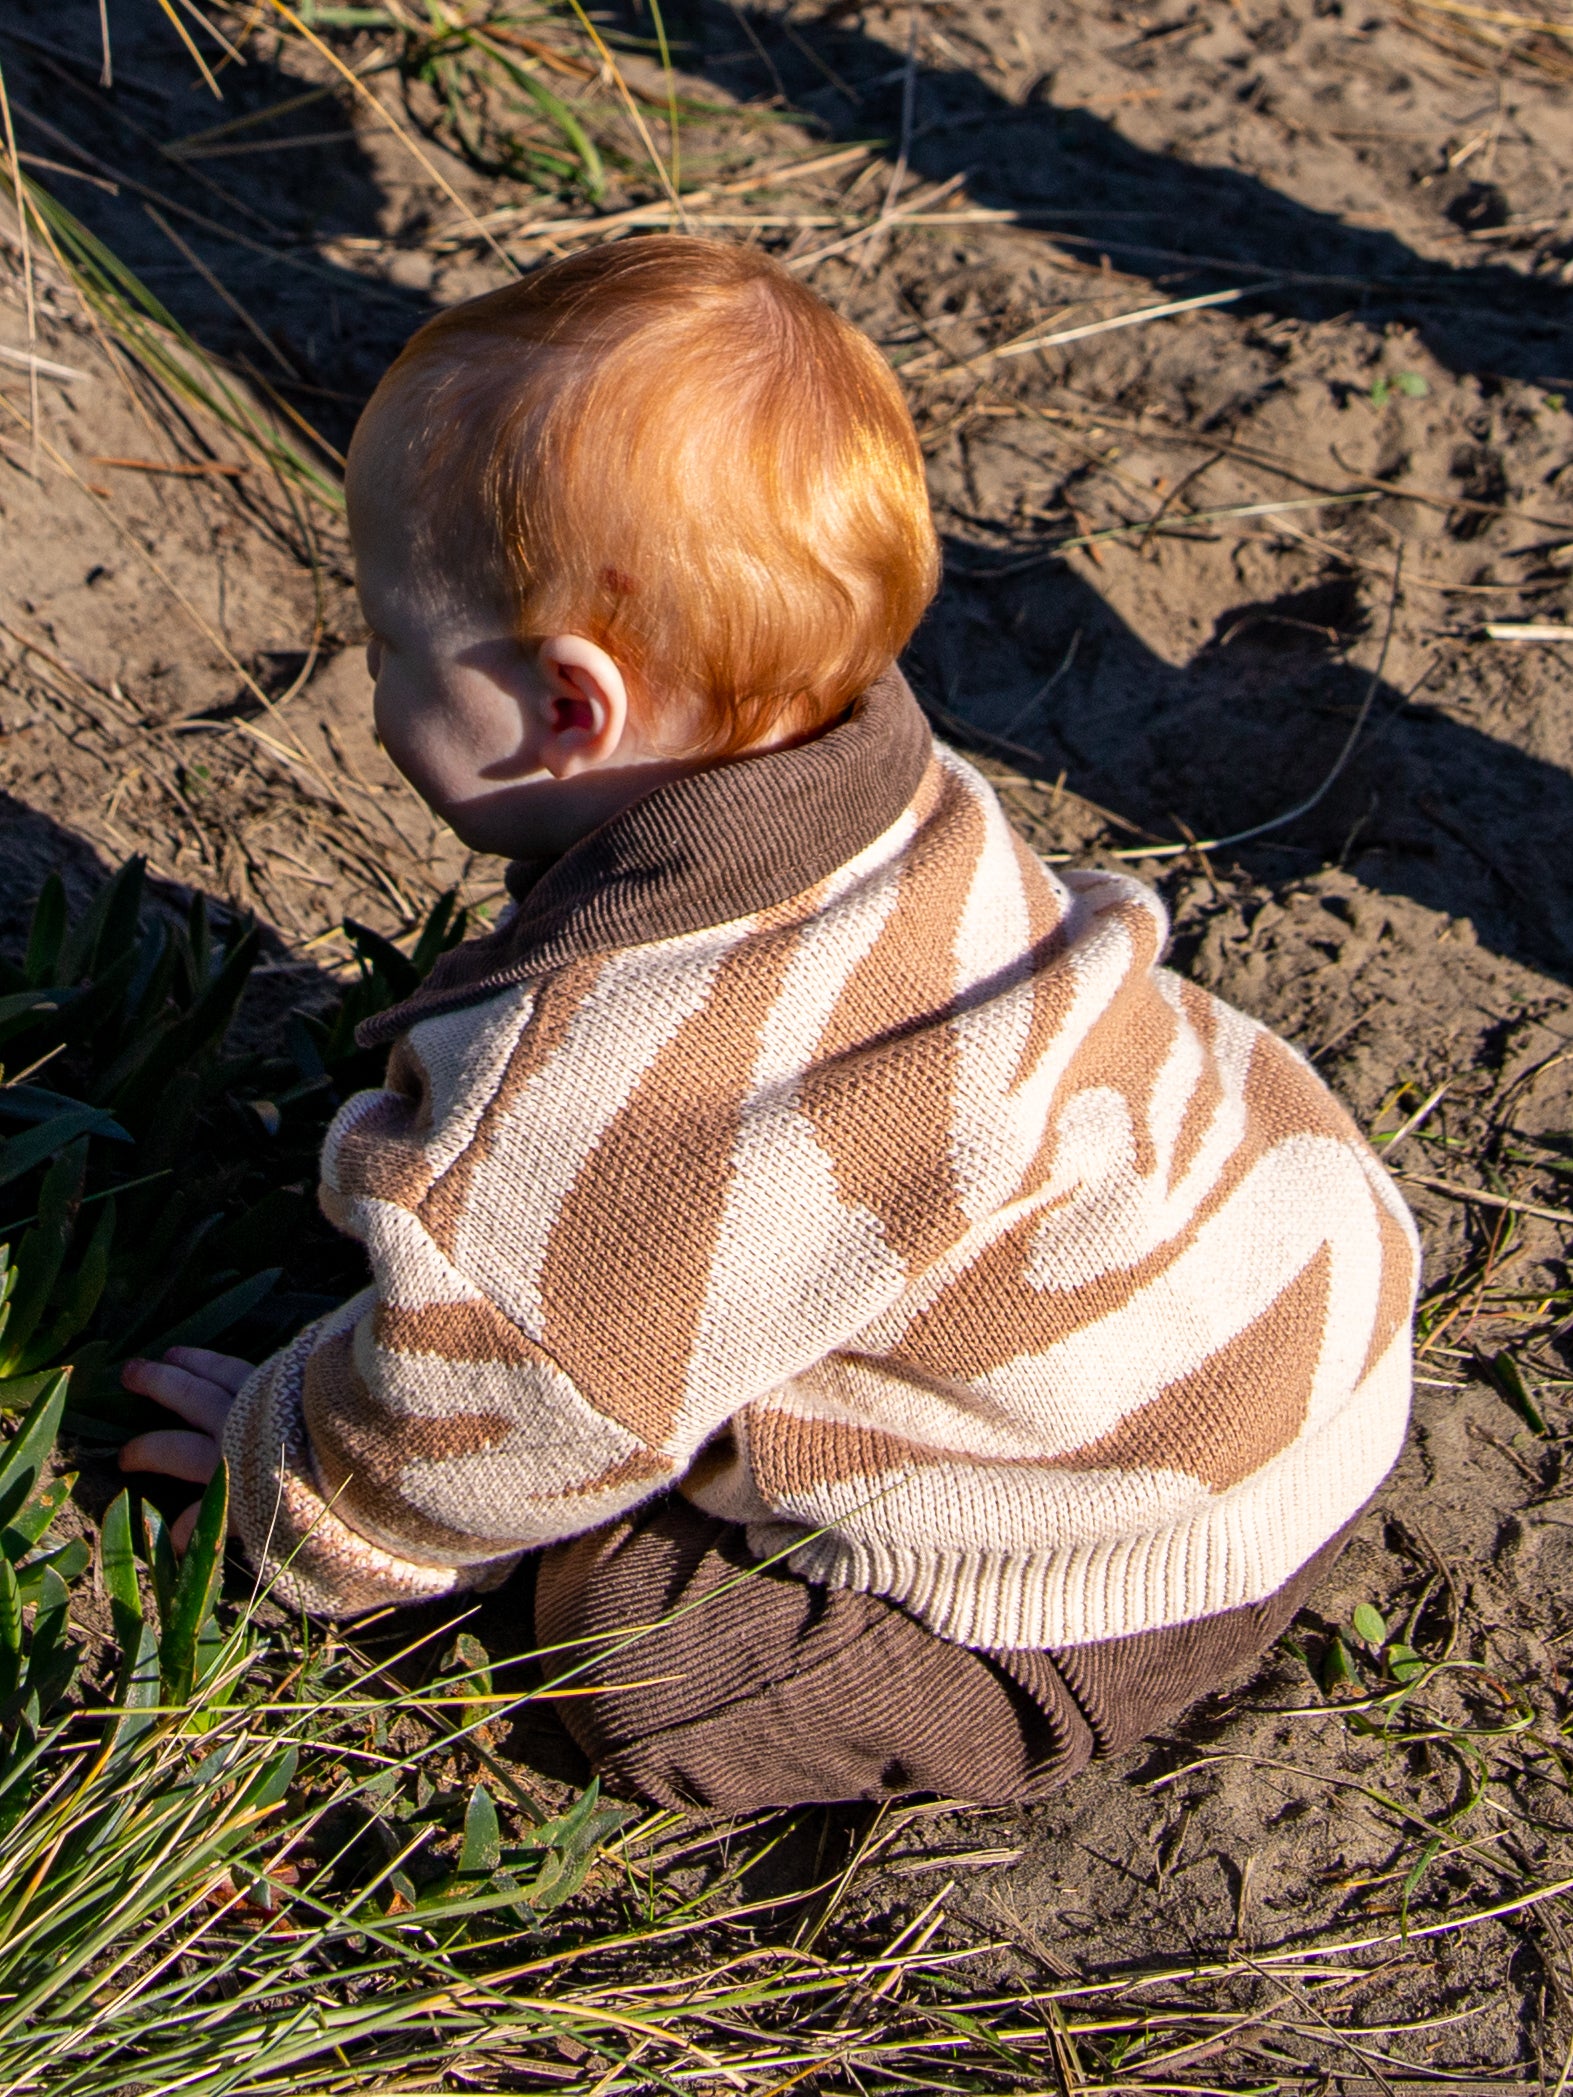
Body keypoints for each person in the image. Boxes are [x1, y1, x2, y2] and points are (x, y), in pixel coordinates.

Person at [120, 237, 1419, 1813]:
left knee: (630, 1645)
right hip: (1299, 1335)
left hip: (1089, 1584)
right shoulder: (892, 792)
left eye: (393, 645)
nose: (374, 683)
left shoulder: (602, 1088)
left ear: (571, 707)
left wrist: (303, 1488)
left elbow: (502, 1410)